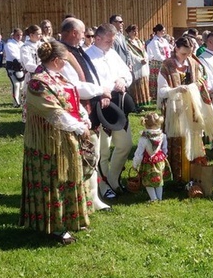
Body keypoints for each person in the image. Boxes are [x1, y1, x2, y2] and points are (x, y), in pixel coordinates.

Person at [20, 40, 92, 245]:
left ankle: (72, 219)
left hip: (66, 137)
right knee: (55, 180)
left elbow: (73, 102)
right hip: (48, 141)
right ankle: (56, 227)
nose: (69, 61)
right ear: (58, 60)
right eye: (66, 58)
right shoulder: (38, 82)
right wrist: (79, 127)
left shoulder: (59, 77)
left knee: (70, 176)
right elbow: (53, 112)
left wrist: (83, 117)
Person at [58, 17, 112, 212]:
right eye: (82, 32)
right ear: (73, 33)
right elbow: (75, 87)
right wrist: (101, 90)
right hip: (77, 113)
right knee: (86, 155)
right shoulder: (62, 54)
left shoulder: (75, 50)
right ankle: (83, 198)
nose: (85, 35)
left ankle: (92, 196)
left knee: (93, 154)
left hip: (89, 108)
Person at [158, 36, 213, 182]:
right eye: (183, 54)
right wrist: (177, 89)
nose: (187, 57)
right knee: (178, 139)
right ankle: (178, 176)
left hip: (192, 108)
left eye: (189, 53)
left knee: (194, 137)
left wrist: (198, 85)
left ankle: (195, 174)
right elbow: (162, 91)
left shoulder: (194, 63)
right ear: (176, 49)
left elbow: (203, 82)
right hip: (175, 110)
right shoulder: (166, 66)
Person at [86, 23, 136, 198]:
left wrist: (122, 79)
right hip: (99, 106)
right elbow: (88, 83)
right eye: (108, 41)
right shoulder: (87, 57)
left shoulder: (113, 54)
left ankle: (113, 180)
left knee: (125, 145)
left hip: (118, 105)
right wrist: (105, 90)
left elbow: (127, 73)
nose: (111, 44)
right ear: (97, 39)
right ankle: (103, 186)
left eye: (112, 41)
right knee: (103, 151)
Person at [132, 112, 171, 202]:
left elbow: (139, 153)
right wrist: (164, 155)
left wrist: (135, 164)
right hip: (160, 160)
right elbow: (164, 148)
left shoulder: (144, 138)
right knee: (159, 180)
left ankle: (153, 198)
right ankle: (159, 198)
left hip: (148, 162)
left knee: (148, 181)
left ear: (145, 124)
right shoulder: (162, 135)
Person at [20, 24, 43, 117]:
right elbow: (28, 64)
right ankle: (30, 121)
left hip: (44, 75)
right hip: (32, 76)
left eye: (41, 34)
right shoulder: (25, 47)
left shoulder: (42, 45)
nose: (40, 36)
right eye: (38, 34)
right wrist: (40, 68)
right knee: (31, 99)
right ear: (31, 35)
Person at [125, 24, 150, 109]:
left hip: (142, 65)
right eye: (133, 31)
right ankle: (136, 103)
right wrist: (140, 60)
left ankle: (144, 102)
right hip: (135, 65)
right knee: (136, 84)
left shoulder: (138, 41)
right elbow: (130, 54)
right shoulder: (126, 42)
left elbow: (144, 51)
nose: (135, 33)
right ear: (128, 32)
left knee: (143, 81)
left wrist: (146, 58)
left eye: (136, 31)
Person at [146, 24, 171, 101]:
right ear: (158, 31)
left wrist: (169, 59)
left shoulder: (164, 40)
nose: (164, 32)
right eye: (162, 30)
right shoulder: (154, 42)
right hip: (158, 63)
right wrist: (165, 60)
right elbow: (157, 55)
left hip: (165, 61)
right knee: (158, 79)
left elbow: (168, 51)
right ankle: (157, 95)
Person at [4, 28, 24, 107]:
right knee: (16, 84)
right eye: (17, 35)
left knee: (22, 85)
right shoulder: (9, 44)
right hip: (12, 66)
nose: (19, 37)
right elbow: (14, 55)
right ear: (13, 35)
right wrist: (22, 60)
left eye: (21, 35)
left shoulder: (22, 44)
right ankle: (16, 102)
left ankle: (22, 100)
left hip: (21, 67)